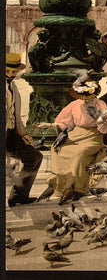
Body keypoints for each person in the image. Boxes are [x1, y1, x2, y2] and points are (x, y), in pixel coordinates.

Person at [38, 72, 107, 199]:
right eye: (84, 96)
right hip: (75, 134)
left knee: (80, 153)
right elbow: (64, 121)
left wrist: (103, 121)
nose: (86, 99)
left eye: (89, 96)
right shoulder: (75, 104)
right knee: (58, 149)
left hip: (93, 135)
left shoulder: (99, 104)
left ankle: (76, 187)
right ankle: (59, 184)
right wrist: (50, 125)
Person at [5, 52, 43, 207]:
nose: (10, 75)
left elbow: (15, 113)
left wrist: (24, 133)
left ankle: (18, 196)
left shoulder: (13, 86)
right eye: (7, 71)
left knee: (34, 158)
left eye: (13, 72)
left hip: (11, 134)